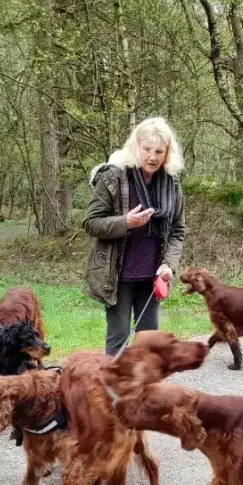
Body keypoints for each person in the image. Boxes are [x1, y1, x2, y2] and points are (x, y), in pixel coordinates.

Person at [83, 117, 186, 355]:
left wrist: (169, 264)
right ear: (135, 146)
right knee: (118, 343)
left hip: (152, 277)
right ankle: (114, 381)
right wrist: (126, 222)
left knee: (149, 346)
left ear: (167, 153)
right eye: (147, 149)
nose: (152, 157)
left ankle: (144, 381)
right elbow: (91, 223)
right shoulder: (113, 177)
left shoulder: (172, 184)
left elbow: (177, 230)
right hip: (117, 275)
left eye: (159, 151)